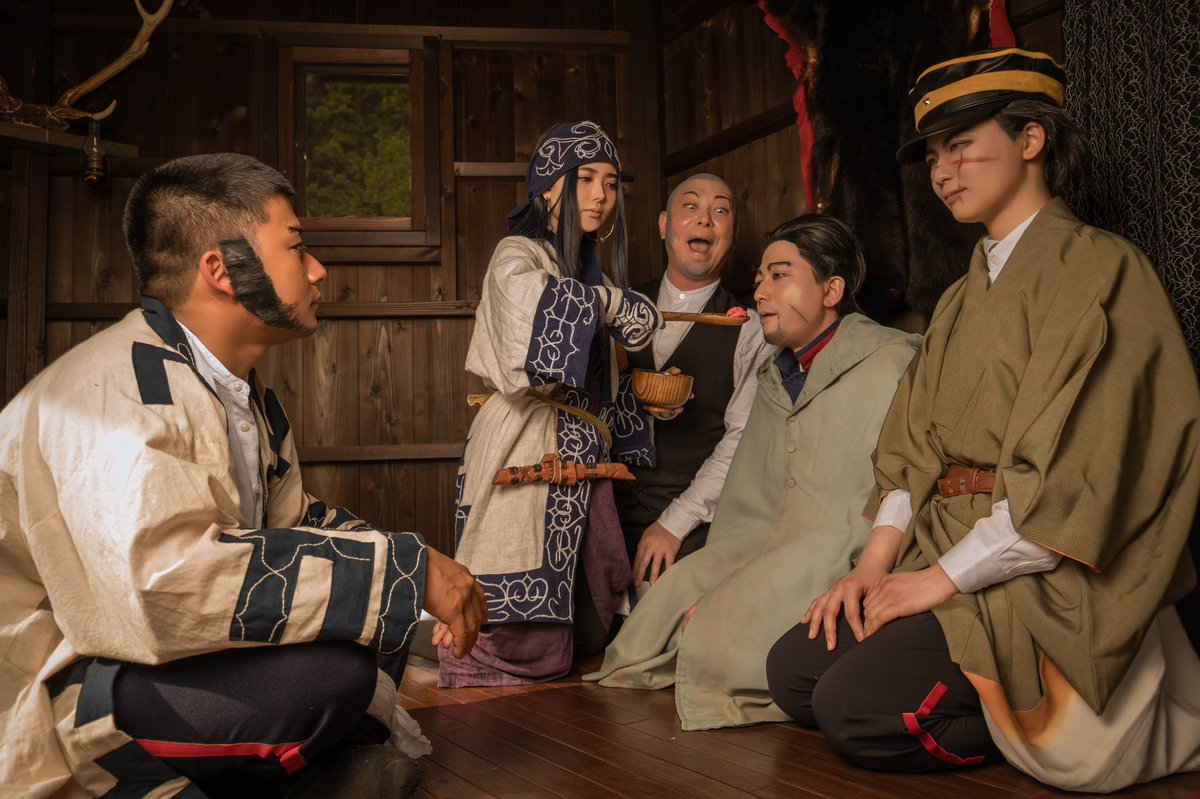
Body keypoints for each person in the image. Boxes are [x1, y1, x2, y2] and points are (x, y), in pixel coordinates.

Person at [766, 48, 1200, 792]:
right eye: (933, 155)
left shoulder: (1103, 270)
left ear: (1031, 139)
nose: (943, 171)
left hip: (1042, 569)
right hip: (944, 541)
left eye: (961, 145)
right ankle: (957, 690)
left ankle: (1013, 724)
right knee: (793, 671)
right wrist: (873, 569)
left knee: (850, 709)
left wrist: (937, 583)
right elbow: (911, 446)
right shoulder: (961, 297)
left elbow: (1077, 482)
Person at [0, 153, 487, 799]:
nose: (317, 269)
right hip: (72, 676)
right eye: (296, 247)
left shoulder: (230, 391)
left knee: (380, 618)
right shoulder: (117, 393)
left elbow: (292, 524)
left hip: (152, 654)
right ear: (222, 270)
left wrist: (415, 572)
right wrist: (403, 572)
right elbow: (161, 587)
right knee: (336, 670)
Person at [586, 214, 919, 730]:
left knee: (713, 639)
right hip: (760, 536)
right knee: (654, 617)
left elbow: (903, 480)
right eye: (760, 277)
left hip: (837, 542)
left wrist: (726, 599)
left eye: (779, 276)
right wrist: (721, 574)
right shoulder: (774, 374)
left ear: (831, 290)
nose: (760, 291)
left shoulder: (892, 360)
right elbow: (750, 497)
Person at [439, 120, 662, 687]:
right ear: (548, 185)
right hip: (526, 437)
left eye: (610, 183)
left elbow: (602, 372)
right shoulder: (518, 253)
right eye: (585, 178)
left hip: (581, 450)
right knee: (526, 635)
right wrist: (609, 304)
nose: (600, 195)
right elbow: (526, 303)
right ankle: (434, 638)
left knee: (588, 626)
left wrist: (643, 398)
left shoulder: (585, 268)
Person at [613, 173, 774, 589]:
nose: (705, 219)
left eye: (720, 210)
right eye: (691, 206)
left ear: (732, 236)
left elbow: (742, 440)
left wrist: (675, 523)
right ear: (664, 225)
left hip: (695, 525)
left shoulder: (749, 329)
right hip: (606, 512)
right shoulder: (615, 309)